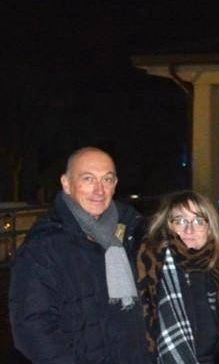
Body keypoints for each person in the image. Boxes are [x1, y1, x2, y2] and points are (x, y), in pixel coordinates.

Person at [8, 146, 151, 363]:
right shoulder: (44, 248)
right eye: (88, 179)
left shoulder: (133, 234)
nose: (99, 190)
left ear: (115, 184)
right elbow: (32, 328)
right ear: (66, 184)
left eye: (107, 179)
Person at [136, 190, 219, 363]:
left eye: (199, 221)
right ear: (166, 227)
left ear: (210, 229)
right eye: (180, 221)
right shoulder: (150, 267)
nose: (189, 229)